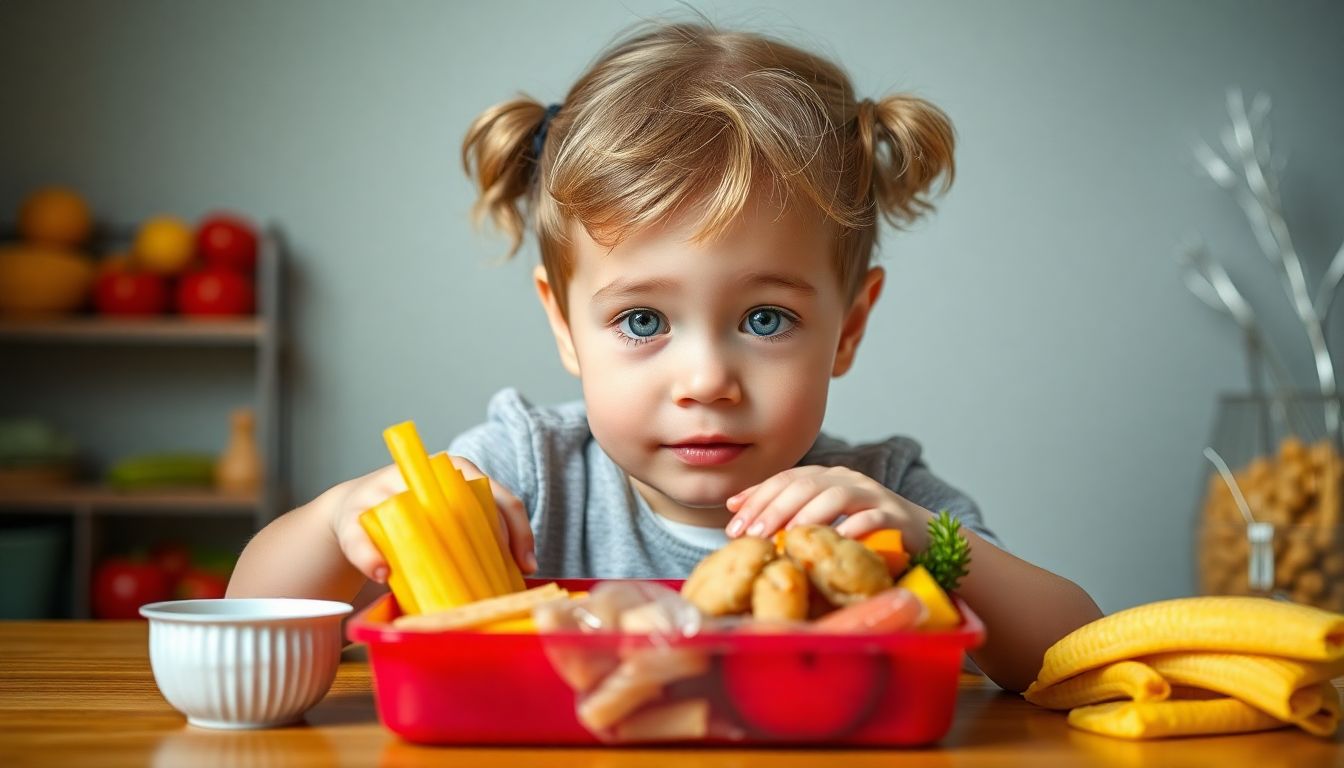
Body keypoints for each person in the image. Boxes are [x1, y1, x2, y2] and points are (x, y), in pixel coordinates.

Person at [229, 19, 1101, 693]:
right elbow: (247, 617)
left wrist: (930, 549)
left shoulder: (882, 504)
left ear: (849, 327)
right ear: (564, 327)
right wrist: (343, 519)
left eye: (764, 321)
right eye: (644, 323)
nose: (706, 382)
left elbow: (1076, 656)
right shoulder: (524, 474)